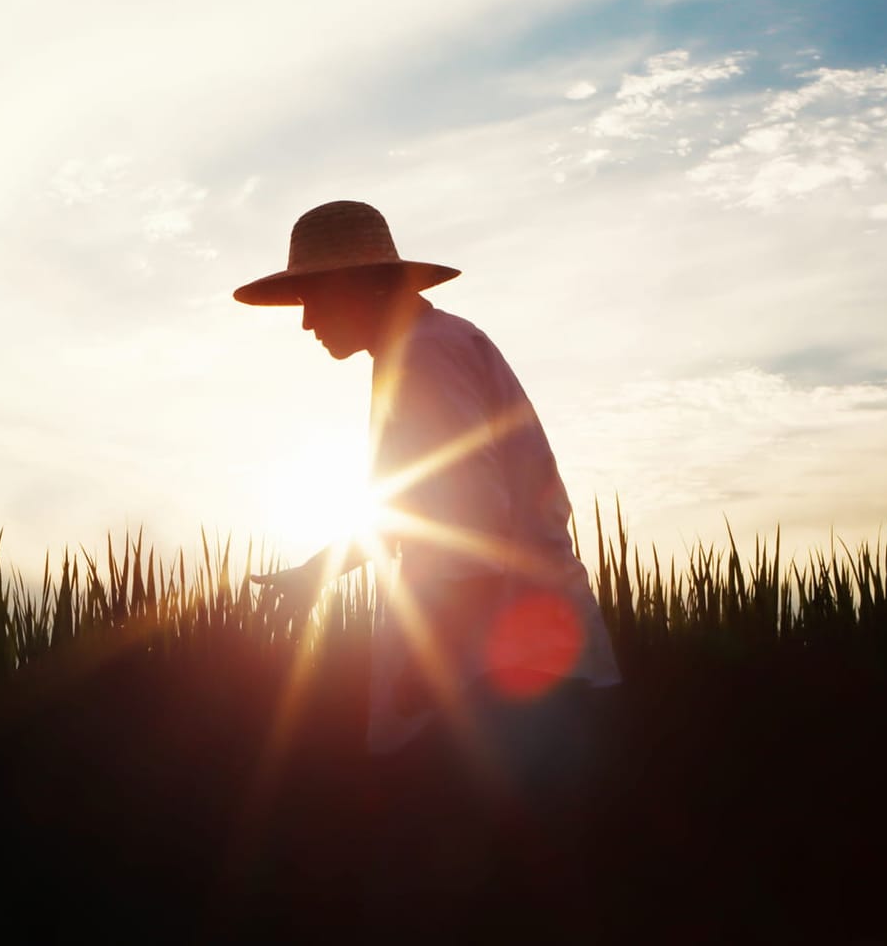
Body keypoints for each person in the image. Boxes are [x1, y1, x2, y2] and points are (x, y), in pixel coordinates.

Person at [233, 200, 620, 902]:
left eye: (311, 296)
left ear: (362, 283)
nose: (305, 320)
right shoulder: (424, 351)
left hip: (501, 683)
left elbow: (471, 525)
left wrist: (429, 666)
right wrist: (316, 573)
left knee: (468, 897)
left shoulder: (425, 358)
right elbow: (415, 510)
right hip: (516, 675)